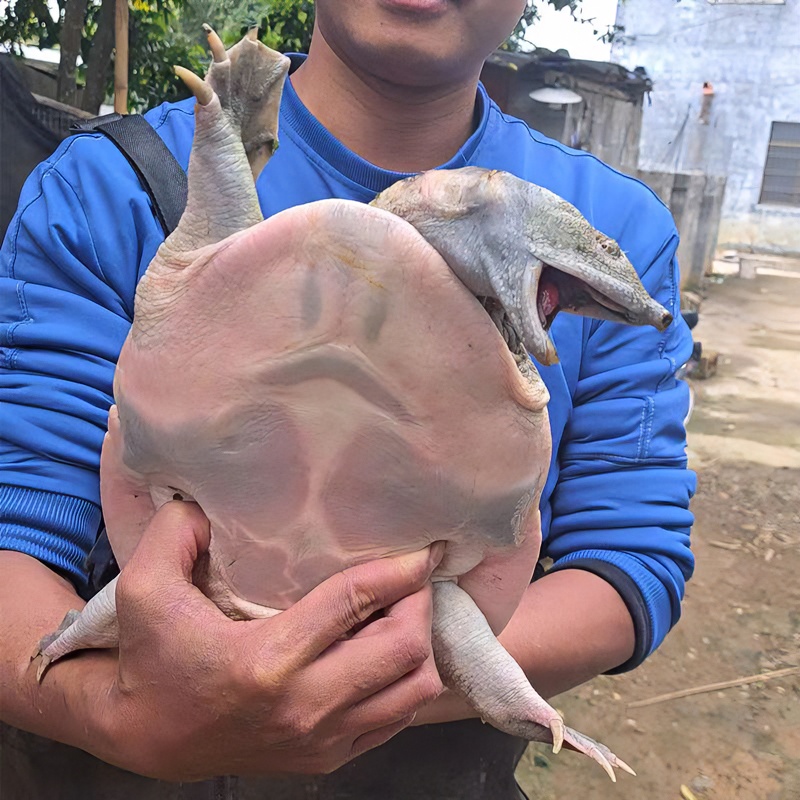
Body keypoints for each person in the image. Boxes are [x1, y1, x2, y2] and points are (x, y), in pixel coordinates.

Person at [0, 1, 695, 797]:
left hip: (405, 631)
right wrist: (117, 711)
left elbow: (629, 555)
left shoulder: (611, 234)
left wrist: (338, 687)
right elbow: (17, 527)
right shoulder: (108, 190)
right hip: (171, 652)